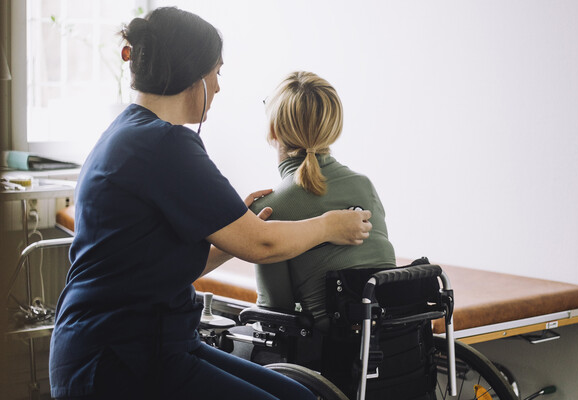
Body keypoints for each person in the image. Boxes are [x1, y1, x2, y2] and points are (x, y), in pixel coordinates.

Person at [49, 8, 372, 400]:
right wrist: (330, 225)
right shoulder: (166, 143)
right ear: (194, 76)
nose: (218, 87)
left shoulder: (129, 130)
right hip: (119, 356)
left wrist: (226, 236)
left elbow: (156, 265)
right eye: (217, 72)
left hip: (147, 343)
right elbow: (262, 244)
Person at [250, 71, 396, 332]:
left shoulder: (267, 210)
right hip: (389, 341)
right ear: (333, 129)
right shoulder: (365, 187)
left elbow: (273, 314)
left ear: (273, 129)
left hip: (326, 355)